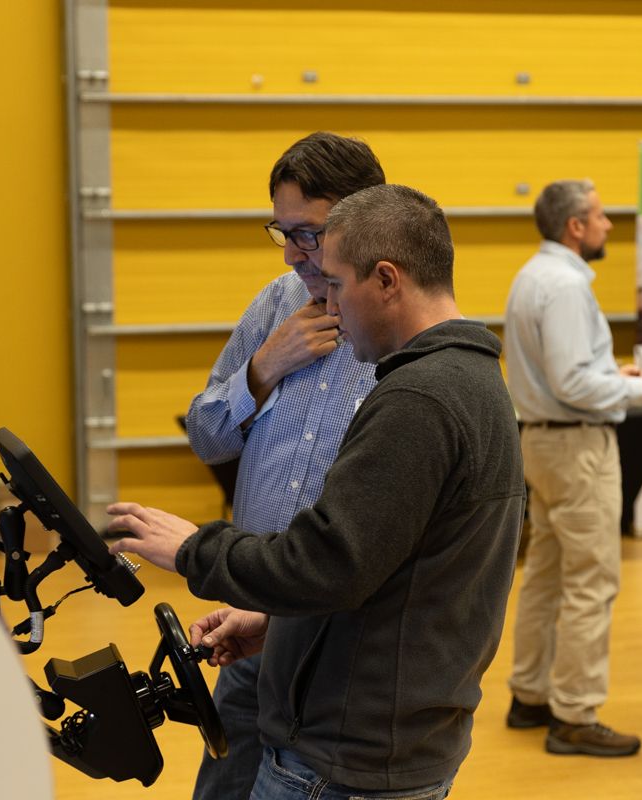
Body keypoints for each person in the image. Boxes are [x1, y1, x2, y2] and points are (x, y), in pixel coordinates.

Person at [109, 184, 525, 800]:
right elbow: (389, 571)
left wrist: (194, 549)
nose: (325, 303)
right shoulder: (470, 378)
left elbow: (327, 562)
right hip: (379, 736)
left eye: (334, 284)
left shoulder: (419, 398)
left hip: (345, 756)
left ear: (386, 280)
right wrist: (282, 624)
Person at [181, 131, 384, 798]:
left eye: (309, 234)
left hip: (337, 636)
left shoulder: (395, 328)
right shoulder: (275, 302)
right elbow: (207, 437)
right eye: (283, 232)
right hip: (252, 611)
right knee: (224, 785)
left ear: (365, 223)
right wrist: (263, 367)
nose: (295, 253)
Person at [502, 179, 642, 758]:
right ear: (575, 226)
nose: (608, 225)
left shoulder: (533, 276)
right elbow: (573, 383)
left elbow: (562, 373)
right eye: (600, 216)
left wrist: (611, 377)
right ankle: (575, 714)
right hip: (577, 449)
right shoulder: (567, 285)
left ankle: (530, 694)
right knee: (591, 581)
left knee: (547, 573)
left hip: (541, 441)